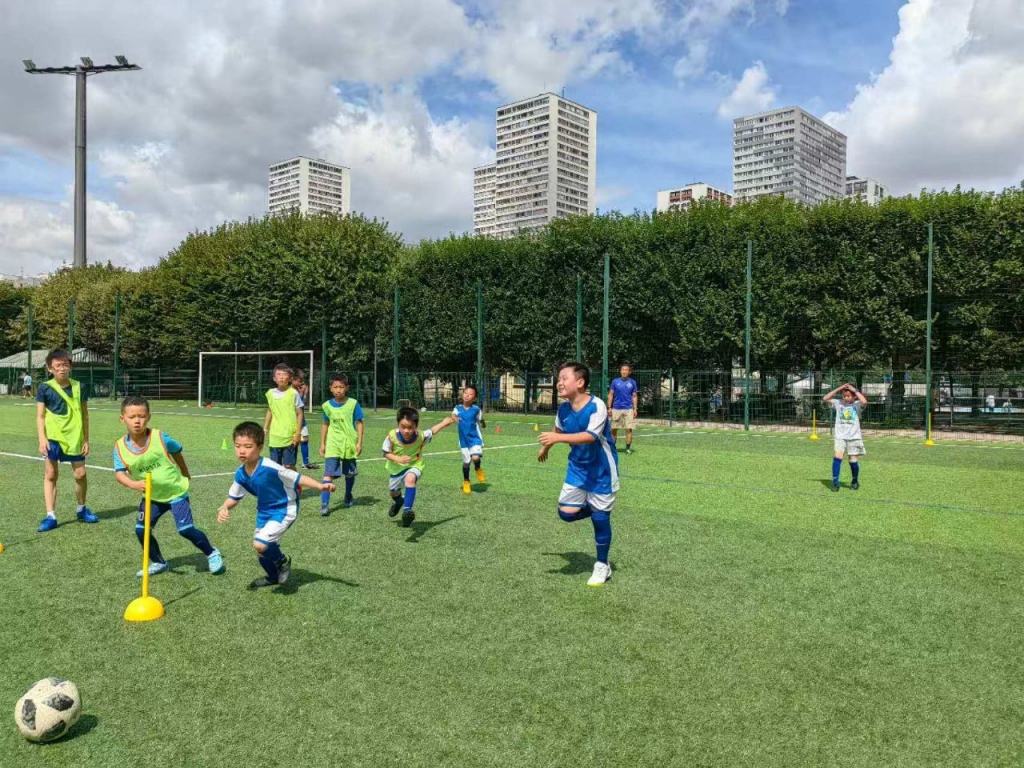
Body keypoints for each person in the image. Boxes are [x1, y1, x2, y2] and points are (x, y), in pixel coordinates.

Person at [113, 396, 225, 577]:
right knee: (141, 531)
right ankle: (158, 562)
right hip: (152, 496)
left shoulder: (159, 437)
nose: (137, 421)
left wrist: (184, 471)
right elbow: (119, 474)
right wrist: (134, 484)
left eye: (141, 416)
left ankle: (212, 553)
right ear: (122, 418)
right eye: (132, 417)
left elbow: (177, 449)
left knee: (185, 530)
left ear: (148, 417)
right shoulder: (119, 447)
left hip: (175, 492)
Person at [217, 422, 334, 589]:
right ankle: (272, 577)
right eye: (237, 446)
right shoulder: (240, 473)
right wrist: (224, 507)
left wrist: (320, 486)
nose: (242, 451)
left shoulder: (270, 467)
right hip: (264, 511)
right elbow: (234, 497)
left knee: (260, 543)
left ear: (260, 448)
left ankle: (283, 561)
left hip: (285, 508)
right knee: (261, 550)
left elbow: (296, 477)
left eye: (248, 446)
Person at [539, 362, 619, 587]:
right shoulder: (563, 409)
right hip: (577, 468)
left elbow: (590, 436)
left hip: (602, 469)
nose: (559, 382)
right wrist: (546, 447)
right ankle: (599, 511)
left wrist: (556, 440)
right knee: (565, 513)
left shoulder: (597, 405)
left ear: (580, 382)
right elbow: (558, 430)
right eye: (558, 379)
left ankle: (602, 565)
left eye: (564, 378)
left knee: (601, 519)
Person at [35, 349, 98, 532]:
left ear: (70, 366)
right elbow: (40, 416)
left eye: (65, 365)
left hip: (75, 438)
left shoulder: (80, 387)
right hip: (53, 438)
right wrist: (42, 438)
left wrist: (86, 438)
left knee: (80, 475)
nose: (62, 369)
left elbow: (85, 415)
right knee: (51, 474)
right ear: (49, 368)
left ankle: (81, 509)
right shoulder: (44, 388)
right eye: (57, 366)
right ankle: (50, 516)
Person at [382, 407, 457, 528]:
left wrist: (444, 423)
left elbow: (432, 431)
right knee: (393, 493)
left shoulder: (420, 436)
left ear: (416, 426)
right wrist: (399, 459)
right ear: (398, 425)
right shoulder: (391, 436)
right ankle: (399, 502)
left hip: (415, 465)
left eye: (410, 427)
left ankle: (407, 512)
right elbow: (385, 453)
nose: (406, 431)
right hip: (396, 468)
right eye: (403, 427)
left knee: (410, 480)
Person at [319, 374, 364, 515]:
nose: (338, 390)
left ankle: (348, 494)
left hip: (349, 444)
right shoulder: (326, 406)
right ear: (330, 389)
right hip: (333, 444)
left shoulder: (353, 404)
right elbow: (325, 424)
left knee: (349, 474)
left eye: (341, 387)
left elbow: (360, 423)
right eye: (335, 387)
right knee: (328, 474)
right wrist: (322, 443)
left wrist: (359, 442)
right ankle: (324, 504)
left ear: (346, 388)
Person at [823, 383, 868, 492]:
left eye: (848, 396)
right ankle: (835, 482)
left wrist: (854, 390)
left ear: (853, 396)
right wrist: (840, 388)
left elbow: (865, 401)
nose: (846, 398)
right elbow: (825, 398)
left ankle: (854, 480)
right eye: (844, 396)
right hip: (840, 437)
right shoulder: (838, 403)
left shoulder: (857, 405)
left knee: (853, 460)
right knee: (837, 457)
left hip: (854, 437)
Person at [264, 363, 302, 470]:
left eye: (284, 374)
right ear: (274, 378)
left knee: (289, 465)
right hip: (275, 436)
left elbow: (300, 413)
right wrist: (265, 428)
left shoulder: (293, 393)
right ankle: (278, 486)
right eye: (279, 374)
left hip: (290, 436)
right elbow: (270, 410)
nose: (281, 377)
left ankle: (294, 485)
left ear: (289, 378)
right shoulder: (270, 393)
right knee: (275, 466)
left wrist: (298, 433)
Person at [452, 384, 486, 494]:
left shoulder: (476, 409)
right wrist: (455, 418)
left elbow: (481, 419)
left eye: (470, 394)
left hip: (475, 439)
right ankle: (466, 481)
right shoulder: (457, 408)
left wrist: (483, 424)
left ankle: (478, 468)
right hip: (464, 441)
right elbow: (453, 415)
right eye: (465, 393)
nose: (467, 395)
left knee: (475, 458)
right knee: (466, 463)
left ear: (474, 398)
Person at [607, 363, 638, 455]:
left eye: (626, 370)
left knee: (629, 429)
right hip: (616, 408)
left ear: (629, 372)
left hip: (628, 409)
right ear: (620, 371)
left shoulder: (632, 382)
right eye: (622, 370)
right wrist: (609, 407)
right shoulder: (615, 381)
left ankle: (628, 449)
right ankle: (612, 448)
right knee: (614, 429)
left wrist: (635, 408)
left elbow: (635, 396)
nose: (624, 371)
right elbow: (611, 394)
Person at [294, 371, 318, 470]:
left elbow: (304, 404)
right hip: (293, 422)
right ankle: (291, 463)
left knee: (305, 440)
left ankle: (306, 462)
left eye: (303, 382)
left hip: (302, 421)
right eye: (300, 381)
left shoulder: (300, 392)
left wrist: (305, 393)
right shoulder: (292, 392)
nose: (301, 384)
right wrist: (301, 393)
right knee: (294, 442)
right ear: (293, 380)